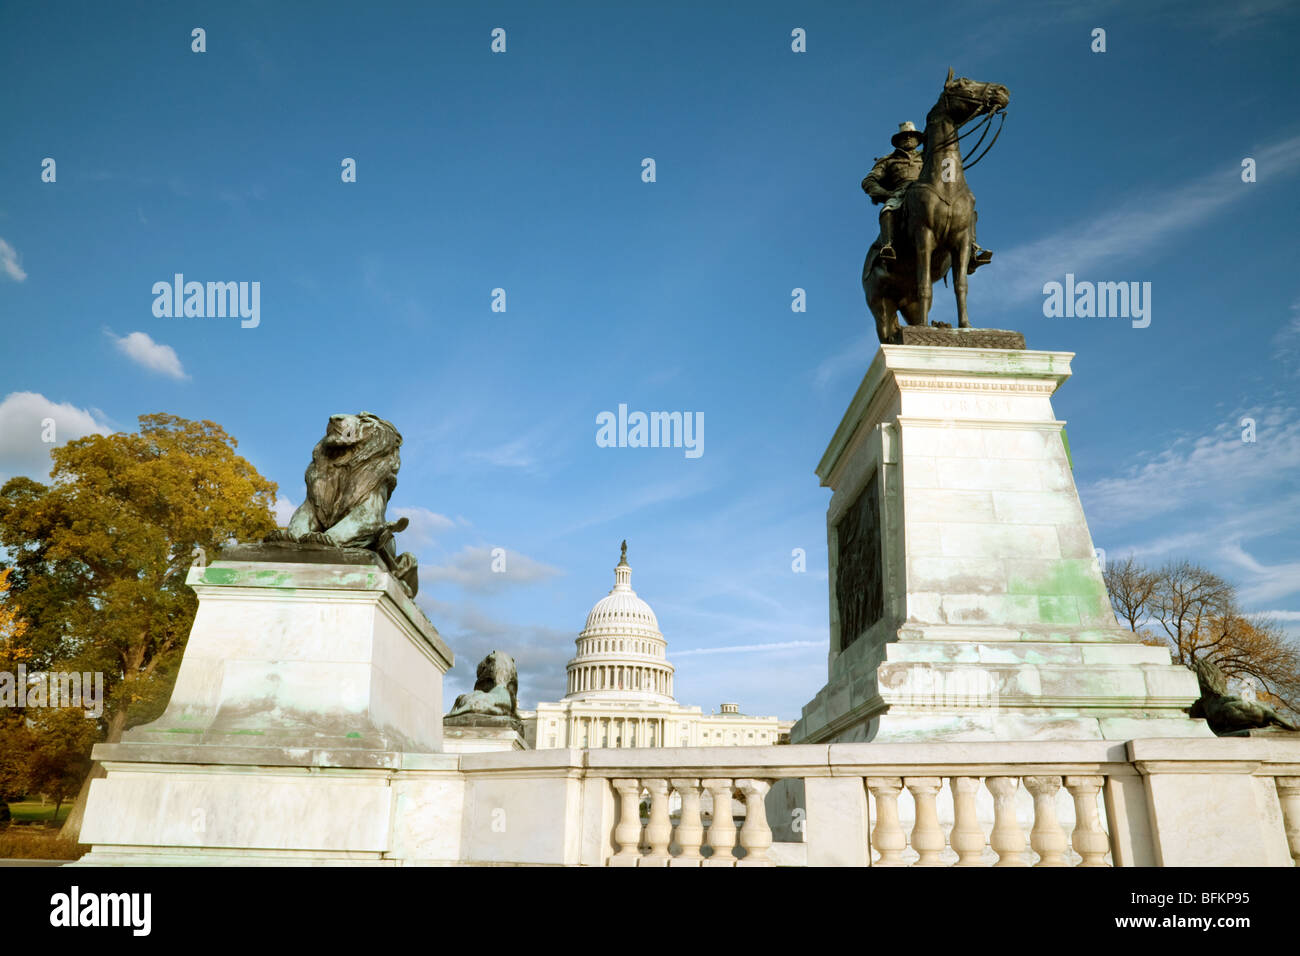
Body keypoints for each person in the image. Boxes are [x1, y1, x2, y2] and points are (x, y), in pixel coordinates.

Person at [862, 121, 993, 274]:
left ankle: (972, 250)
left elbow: (945, 172)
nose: (908, 139)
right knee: (888, 209)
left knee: (966, 207)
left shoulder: (929, 156)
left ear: (918, 140)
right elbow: (869, 181)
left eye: (912, 136)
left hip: (928, 192)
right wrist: (885, 194)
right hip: (901, 193)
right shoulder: (888, 160)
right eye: (904, 136)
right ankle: (888, 246)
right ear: (898, 141)